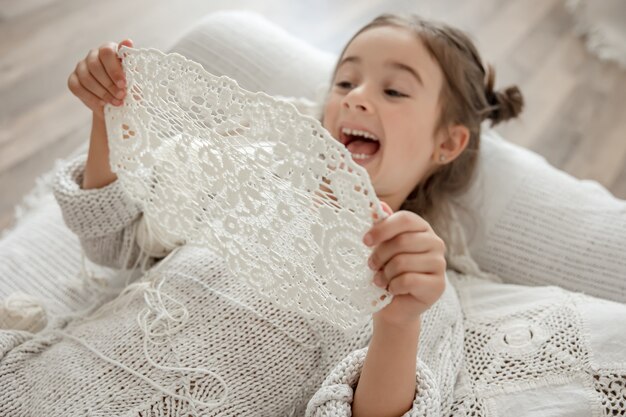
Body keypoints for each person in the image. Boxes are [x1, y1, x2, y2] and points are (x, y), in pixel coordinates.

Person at [0, 13, 522, 417]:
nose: (356, 99)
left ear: (448, 142)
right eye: (345, 83)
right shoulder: (246, 177)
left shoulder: (421, 292)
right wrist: (108, 117)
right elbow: (110, 243)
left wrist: (398, 323)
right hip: (45, 382)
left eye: (393, 90)